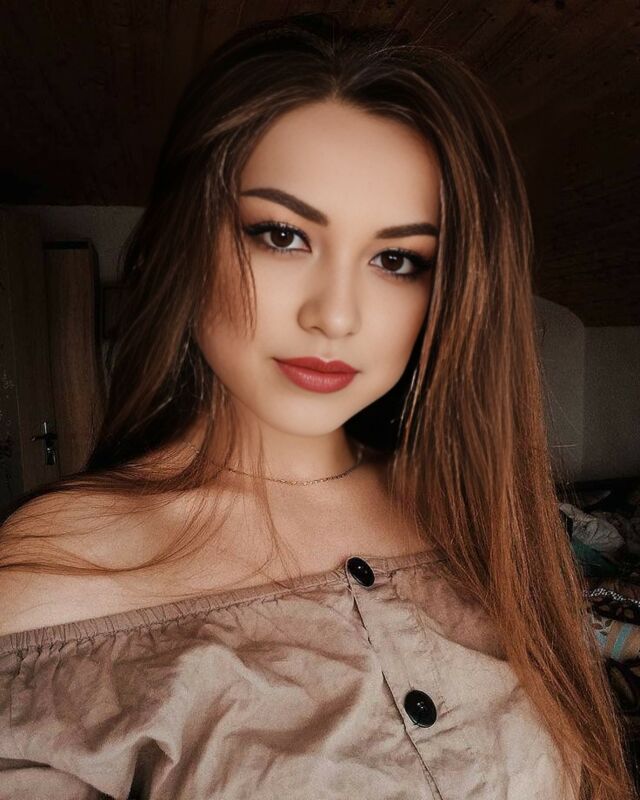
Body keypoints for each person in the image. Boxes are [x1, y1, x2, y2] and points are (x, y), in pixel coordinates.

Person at [0, 12, 633, 800]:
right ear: (183, 238)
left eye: (397, 259)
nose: (335, 316)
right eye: (282, 235)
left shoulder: (476, 512)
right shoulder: (51, 580)